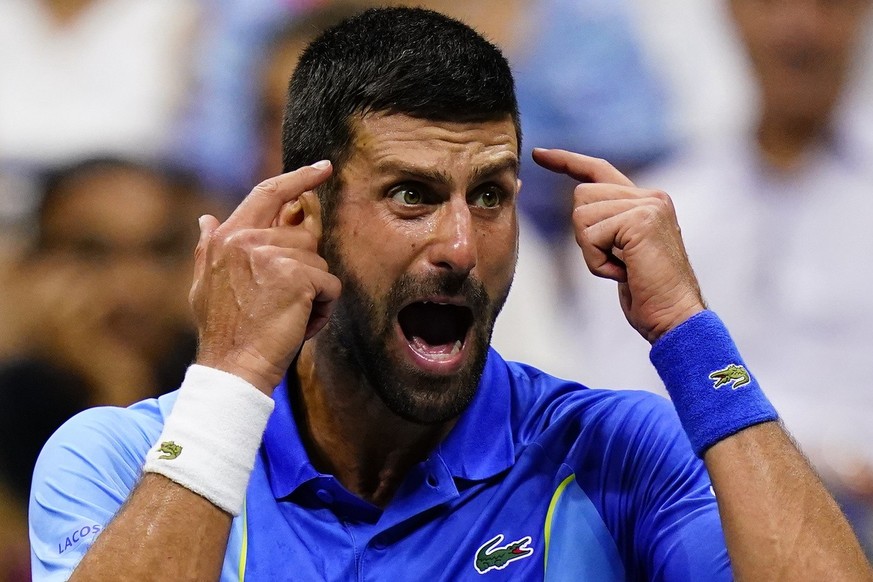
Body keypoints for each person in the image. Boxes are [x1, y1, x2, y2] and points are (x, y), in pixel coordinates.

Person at [28, 7, 871, 581]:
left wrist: (689, 330)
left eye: (493, 194)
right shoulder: (111, 461)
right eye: (411, 196)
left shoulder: (615, 454)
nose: (462, 248)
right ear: (302, 215)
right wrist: (232, 374)